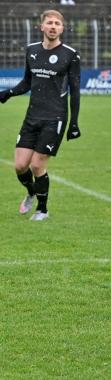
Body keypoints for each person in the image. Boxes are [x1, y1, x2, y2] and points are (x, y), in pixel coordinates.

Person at [0, 9, 81, 221]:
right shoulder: (31, 50)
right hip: (32, 116)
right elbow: (27, 82)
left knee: (37, 165)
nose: (53, 26)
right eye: (50, 23)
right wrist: (8, 93)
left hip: (55, 118)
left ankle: (42, 210)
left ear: (62, 28)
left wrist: (74, 123)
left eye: (57, 23)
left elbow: (75, 91)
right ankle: (31, 192)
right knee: (19, 166)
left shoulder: (70, 55)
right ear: (41, 26)